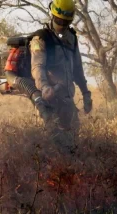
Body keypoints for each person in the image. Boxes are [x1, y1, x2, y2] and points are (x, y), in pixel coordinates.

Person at [30, 0, 93, 153]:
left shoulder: (71, 38)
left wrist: (85, 93)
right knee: (53, 143)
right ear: (53, 15)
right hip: (49, 99)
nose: (62, 25)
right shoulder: (41, 39)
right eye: (59, 20)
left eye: (66, 22)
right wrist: (44, 87)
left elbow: (78, 68)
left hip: (67, 99)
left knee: (74, 140)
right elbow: (37, 67)